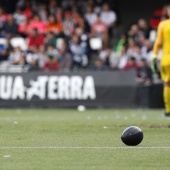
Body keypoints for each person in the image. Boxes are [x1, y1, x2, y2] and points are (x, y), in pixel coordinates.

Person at [153, 4, 170, 116]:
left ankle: (168, 110)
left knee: (167, 84)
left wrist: (154, 57)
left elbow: (158, 42)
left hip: (166, 59)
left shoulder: (163, 24)